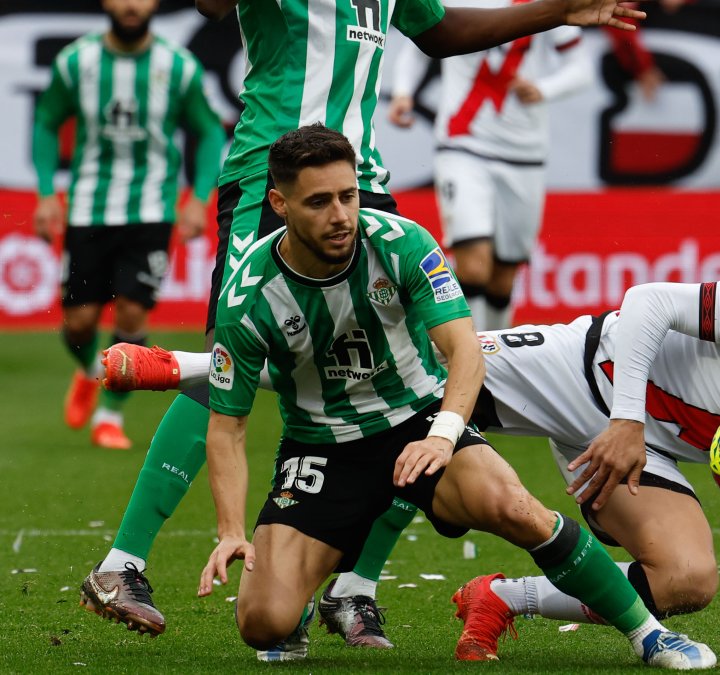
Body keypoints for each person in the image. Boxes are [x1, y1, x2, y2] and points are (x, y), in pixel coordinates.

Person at [78, 0, 652, 647]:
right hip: (276, 176)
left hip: (359, 177)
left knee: (410, 379)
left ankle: (355, 585)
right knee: (227, 367)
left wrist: (555, 11)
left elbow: (438, 31)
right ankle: (122, 563)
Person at [115, 281, 720, 663]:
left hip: (647, 447)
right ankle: (190, 366)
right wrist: (625, 415)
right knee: (400, 385)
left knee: (691, 578)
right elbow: (648, 302)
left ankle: (502, 596)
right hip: (583, 371)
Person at [193, 124, 715, 668]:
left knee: (516, 508)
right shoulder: (248, 296)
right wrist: (230, 532)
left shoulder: (402, 244)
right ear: (279, 204)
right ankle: (302, 589)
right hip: (322, 447)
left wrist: (443, 436)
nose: (341, 215)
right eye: (319, 202)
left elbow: (466, 351)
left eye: (348, 195)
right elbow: (227, 428)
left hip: (417, 418)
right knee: (263, 623)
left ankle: (650, 635)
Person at [31, 0, 224, 450]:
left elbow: (209, 130)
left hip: (152, 210)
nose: (131, 4)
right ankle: (89, 372)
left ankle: (109, 416)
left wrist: (199, 199)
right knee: (79, 323)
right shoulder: (76, 61)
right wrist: (45, 192)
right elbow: (46, 122)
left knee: (133, 312)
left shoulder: (177, 66)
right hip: (89, 209)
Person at [388, 1, 594, 331]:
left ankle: (497, 351)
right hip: (462, 146)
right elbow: (418, 46)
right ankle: (467, 350)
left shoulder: (542, 4)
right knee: (473, 266)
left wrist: (543, 89)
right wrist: (403, 92)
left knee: (502, 278)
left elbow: (582, 68)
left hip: (524, 153)